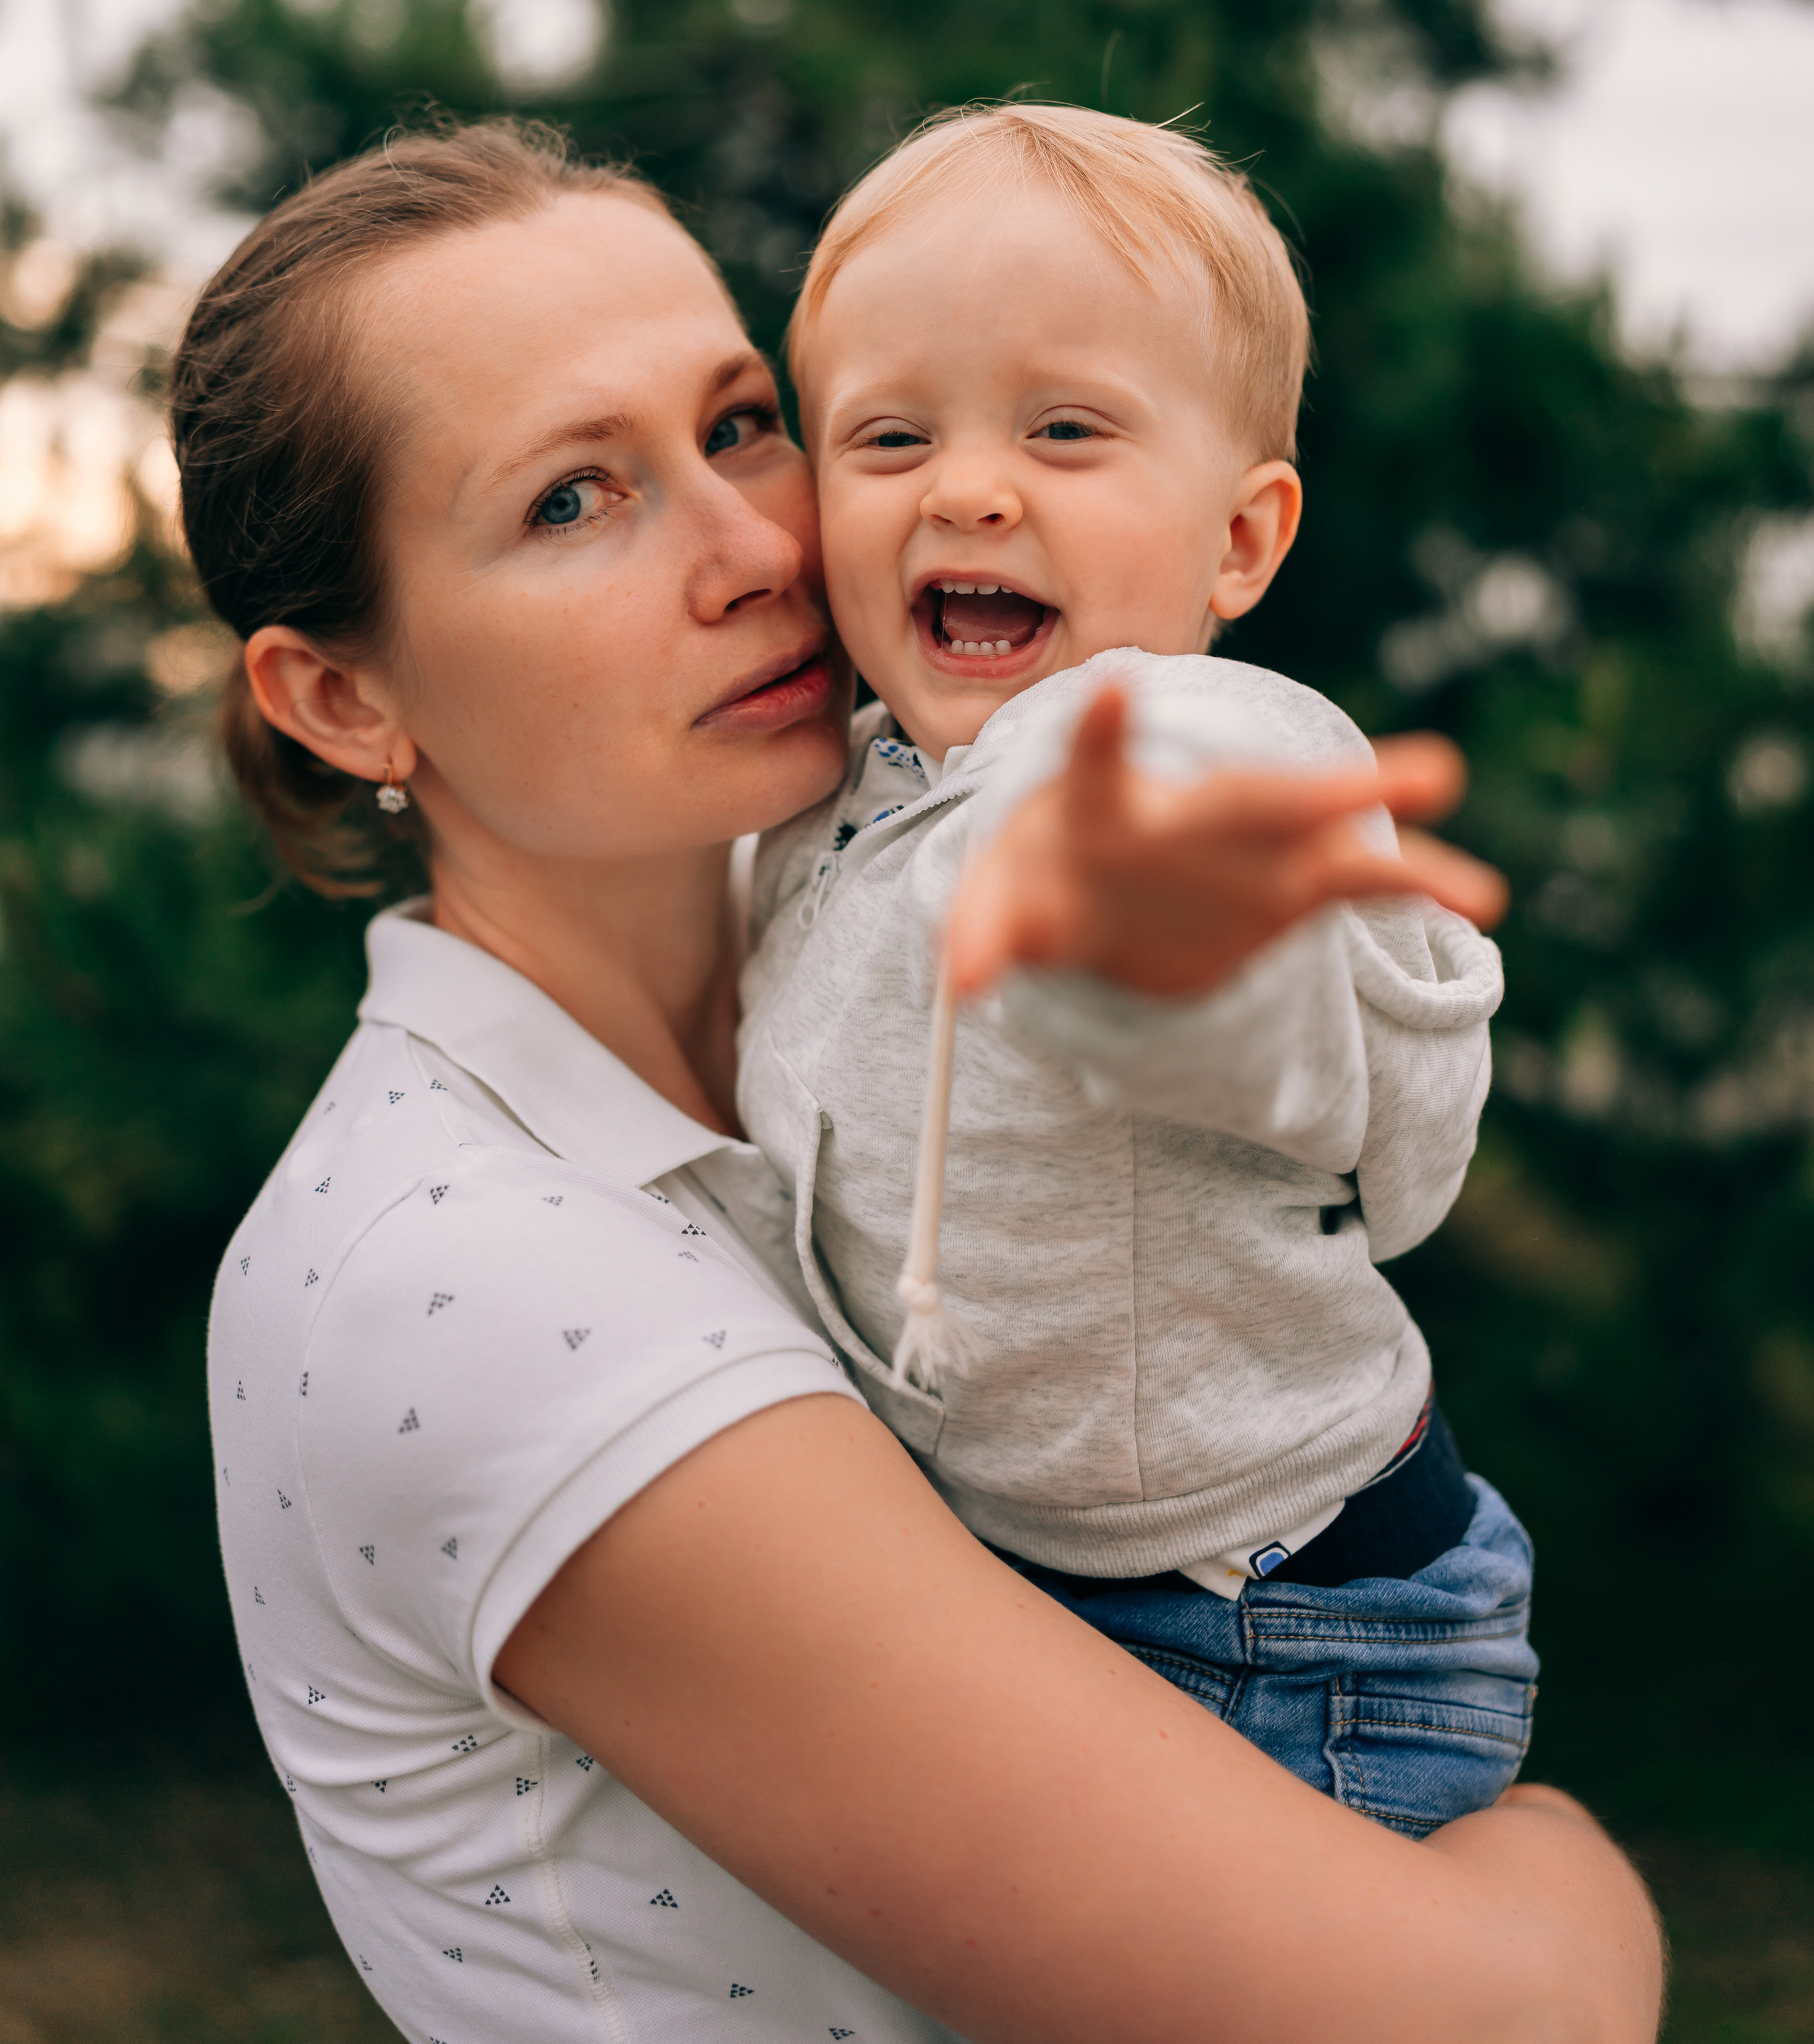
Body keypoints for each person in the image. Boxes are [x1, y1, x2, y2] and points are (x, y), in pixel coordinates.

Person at [186, 120, 1660, 2044]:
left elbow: (1136, 824)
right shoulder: (470, 1288)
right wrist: (1565, 1859)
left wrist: (1181, 956)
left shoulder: (865, 873)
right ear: (344, 699)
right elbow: (1499, 2020)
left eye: (736, 427)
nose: (747, 550)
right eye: (572, 500)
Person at [738, 102, 1533, 1838]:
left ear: (1240, 541)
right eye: (886, 436)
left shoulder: (1165, 736)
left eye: (1066, 427)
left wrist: (1146, 936)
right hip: (1047, 1589)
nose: (966, 484)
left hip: (1283, 1626)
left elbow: (1181, 928)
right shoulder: (845, 802)